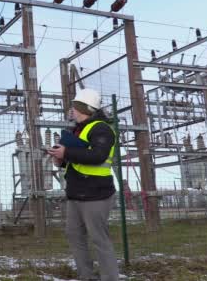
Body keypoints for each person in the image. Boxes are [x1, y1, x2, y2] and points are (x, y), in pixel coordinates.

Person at [48, 88, 119, 281]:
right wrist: (60, 160)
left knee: (99, 239)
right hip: (76, 193)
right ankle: (86, 276)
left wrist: (67, 153)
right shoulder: (77, 129)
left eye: (76, 108)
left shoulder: (101, 129)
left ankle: (110, 278)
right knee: (74, 236)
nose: (73, 111)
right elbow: (74, 159)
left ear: (86, 109)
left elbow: (98, 156)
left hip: (97, 194)